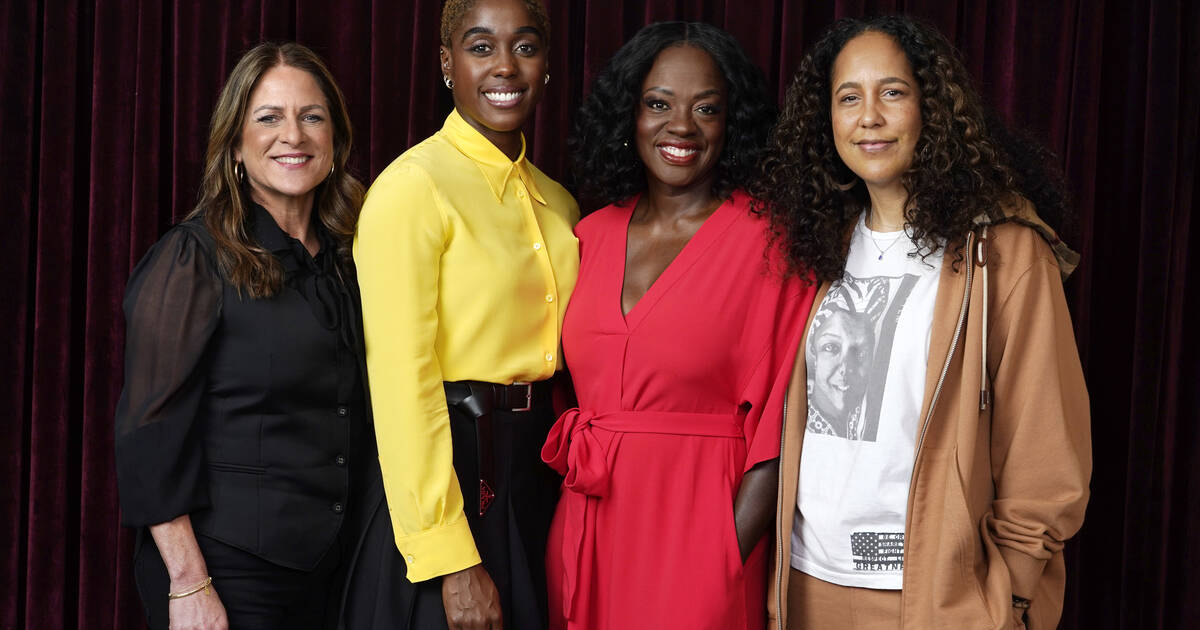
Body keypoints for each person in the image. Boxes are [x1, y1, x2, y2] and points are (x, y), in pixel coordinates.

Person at [750, 15, 1092, 630]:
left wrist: (1007, 596)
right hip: (806, 584)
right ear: (826, 121)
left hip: (938, 595)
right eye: (848, 97)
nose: (869, 117)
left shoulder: (1003, 254)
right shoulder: (810, 249)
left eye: (893, 92)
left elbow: (1046, 447)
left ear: (931, 108)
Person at [540, 22, 815, 630]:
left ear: (731, 123)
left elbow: (781, 428)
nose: (681, 127)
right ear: (629, 115)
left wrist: (720, 561)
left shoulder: (772, 244)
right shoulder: (588, 235)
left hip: (702, 537)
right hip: (587, 532)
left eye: (706, 109)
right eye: (658, 104)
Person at [114, 41, 368, 630]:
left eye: (311, 116)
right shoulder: (192, 257)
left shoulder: (352, 259)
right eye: (269, 118)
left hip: (333, 573)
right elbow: (147, 433)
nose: (294, 136)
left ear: (335, 138)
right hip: (224, 573)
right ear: (234, 143)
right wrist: (188, 584)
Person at [343, 1, 577, 629]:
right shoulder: (412, 188)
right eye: (480, 47)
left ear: (547, 64)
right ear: (447, 62)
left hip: (535, 476)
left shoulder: (559, 203)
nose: (506, 66)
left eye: (525, 47)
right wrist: (449, 558)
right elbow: (400, 385)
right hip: (450, 476)